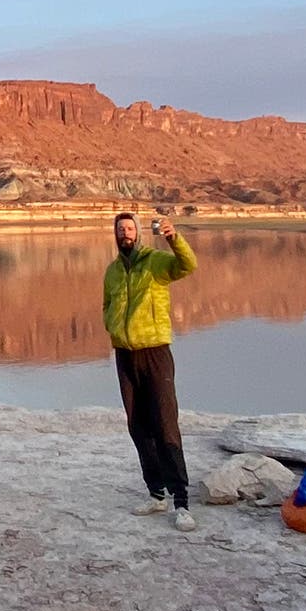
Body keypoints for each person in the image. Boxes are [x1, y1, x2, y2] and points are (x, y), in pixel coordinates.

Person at [104, 211, 200, 531]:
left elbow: (187, 265)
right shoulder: (113, 271)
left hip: (155, 353)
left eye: (130, 228)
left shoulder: (155, 263)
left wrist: (174, 238)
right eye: (121, 229)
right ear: (115, 234)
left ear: (139, 233)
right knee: (138, 426)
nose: (125, 233)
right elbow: (107, 306)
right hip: (125, 355)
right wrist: (114, 328)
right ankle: (156, 494)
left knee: (165, 425)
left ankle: (181, 501)